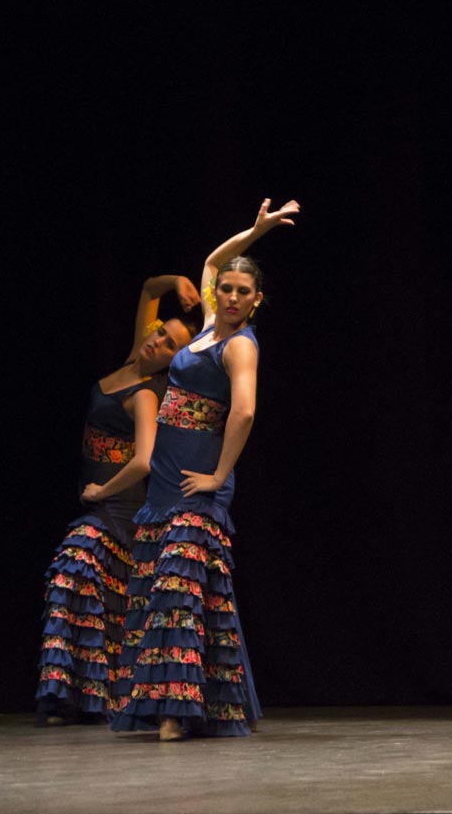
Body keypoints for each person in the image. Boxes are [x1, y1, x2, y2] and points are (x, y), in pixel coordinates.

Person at [110, 198, 300, 741]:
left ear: (257, 299)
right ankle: (209, 704)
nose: (232, 296)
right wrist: (257, 231)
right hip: (166, 481)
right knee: (185, 594)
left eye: (244, 291)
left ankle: (175, 712)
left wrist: (217, 477)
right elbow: (214, 260)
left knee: (178, 590)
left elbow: (244, 411)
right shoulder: (209, 327)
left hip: (198, 481)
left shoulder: (239, 346)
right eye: (227, 289)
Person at [35, 276, 200, 725]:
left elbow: (144, 460)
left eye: (168, 344)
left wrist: (100, 492)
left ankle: (79, 696)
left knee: (71, 570)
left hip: (117, 509)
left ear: (173, 362)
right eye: (159, 332)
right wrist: (177, 281)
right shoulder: (134, 357)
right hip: (98, 506)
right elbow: (148, 290)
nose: (157, 341)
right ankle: (78, 699)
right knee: (94, 596)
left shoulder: (145, 394)